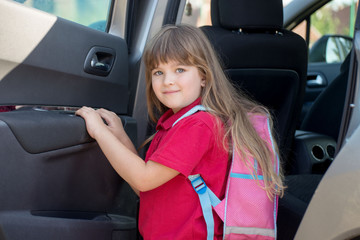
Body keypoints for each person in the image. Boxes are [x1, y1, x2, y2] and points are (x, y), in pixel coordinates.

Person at [76, 24, 285, 240]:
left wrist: (99, 132)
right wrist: (118, 135)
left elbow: (143, 179)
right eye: (158, 72)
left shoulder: (199, 126)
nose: (168, 81)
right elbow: (148, 187)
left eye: (180, 70)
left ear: (204, 76)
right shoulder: (175, 123)